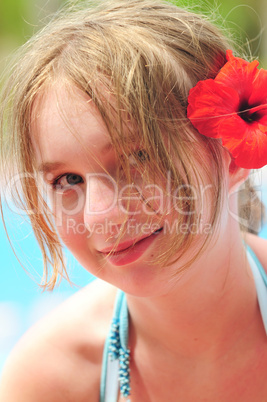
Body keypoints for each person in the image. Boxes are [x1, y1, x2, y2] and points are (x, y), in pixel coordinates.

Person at [0, 0, 267, 400]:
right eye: (67, 180)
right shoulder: (49, 381)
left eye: (137, 157)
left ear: (233, 149)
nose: (99, 215)